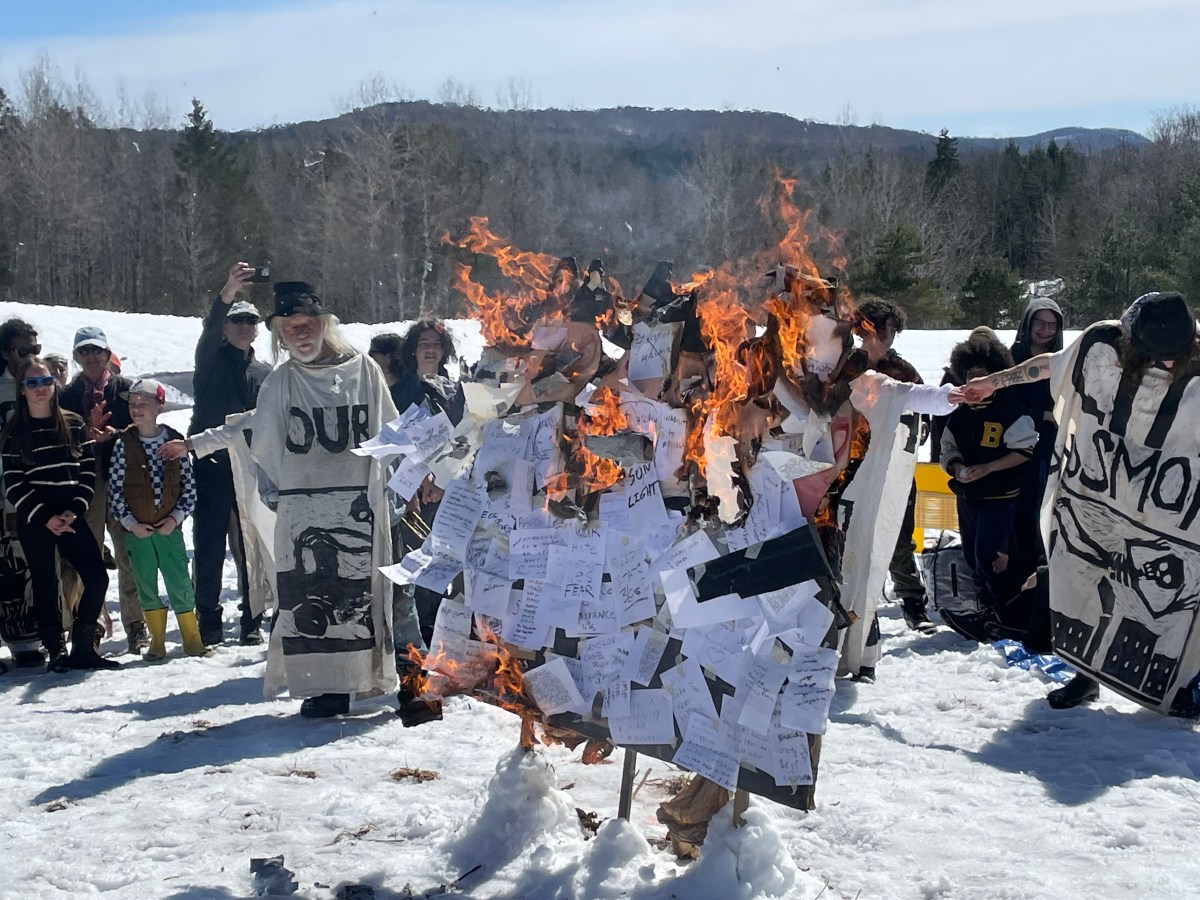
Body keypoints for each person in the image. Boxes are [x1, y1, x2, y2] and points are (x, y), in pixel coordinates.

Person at [167, 282, 429, 720]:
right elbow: (254, 428)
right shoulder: (282, 380)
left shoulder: (362, 370)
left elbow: (393, 432)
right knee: (320, 598)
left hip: (363, 506)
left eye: (307, 325)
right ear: (280, 335)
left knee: (389, 596)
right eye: (290, 329)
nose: (300, 335)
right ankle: (331, 688)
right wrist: (197, 444)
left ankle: (414, 684)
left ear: (324, 325)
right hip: (307, 510)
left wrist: (411, 481)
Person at [957, 292, 1200, 716]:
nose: (1161, 366)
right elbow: (1053, 366)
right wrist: (993, 382)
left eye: (1170, 358)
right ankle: (1084, 677)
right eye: (1152, 356)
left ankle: (1179, 685)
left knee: (1171, 593)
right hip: (1101, 492)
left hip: (1164, 505)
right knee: (1085, 577)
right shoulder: (1102, 345)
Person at [0, 357, 118, 671]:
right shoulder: (14, 432)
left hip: (71, 515)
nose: (40, 388)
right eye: (32, 383)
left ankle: (82, 646)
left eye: (45, 381)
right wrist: (45, 518)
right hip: (36, 519)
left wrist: (74, 510)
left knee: (97, 578)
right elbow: (13, 482)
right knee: (45, 584)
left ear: (54, 384)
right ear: (22, 390)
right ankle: (55, 651)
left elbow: (86, 471)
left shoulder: (74, 423)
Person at [188, 262, 272, 646]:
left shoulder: (265, 372)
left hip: (250, 469)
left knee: (251, 546)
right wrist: (228, 292)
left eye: (250, 322)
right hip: (209, 466)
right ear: (225, 328)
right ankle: (208, 620)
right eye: (237, 321)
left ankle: (252, 619)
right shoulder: (209, 360)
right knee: (208, 546)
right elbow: (210, 325)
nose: (243, 327)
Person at [939, 328, 1037, 638]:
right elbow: (948, 449)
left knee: (991, 557)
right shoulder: (959, 413)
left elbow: (1024, 450)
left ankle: (1006, 615)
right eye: (969, 377)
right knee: (971, 555)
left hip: (1000, 496)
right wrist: (957, 468)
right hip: (968, 494)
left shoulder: (1010, 410)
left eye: (982, 377)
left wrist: (989, 467)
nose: (974, 384)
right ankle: (986, 612)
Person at [60, 325, 146, 654]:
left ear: (108, 353)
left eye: (97, 350)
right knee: (88, 556)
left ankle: (135, 623)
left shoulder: (126, 389)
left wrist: (117, 433)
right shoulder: (66, 396)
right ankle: (90, 623)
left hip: (123, 478)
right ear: (77, 356)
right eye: (85, 352)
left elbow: (143, 426)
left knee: (128, 554)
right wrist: (86, 437)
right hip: (85, 483)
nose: (92, 357)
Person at [108, 379, 209, 661]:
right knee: (145, 584)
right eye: (132, 405)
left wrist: (175, 519)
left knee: (179, 582)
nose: (137, 410)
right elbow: (115, 491)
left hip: (168, 529)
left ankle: (191, 637)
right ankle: (157, 641)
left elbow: (189, 489)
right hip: (137, 531)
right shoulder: (123, 444)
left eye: (143, 404)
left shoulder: (174, 442)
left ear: (159, 406)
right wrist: (130, 523)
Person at [853, 298, 935, 634]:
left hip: (891, 469)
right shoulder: (848, 366)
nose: (882, 339)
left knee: (898, 540)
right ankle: (853, 610)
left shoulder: (903, 372)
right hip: (853, 466)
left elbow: (922, 420)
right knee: (850, 541)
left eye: (889, 333)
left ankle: (914, 606)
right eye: (877, 331)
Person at [1006, 298, 1065, 584]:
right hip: (1008, 450)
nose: (1045, 330)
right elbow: (1002, 403)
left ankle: (1036, 585)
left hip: (1045, 451)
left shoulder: (1061, 362)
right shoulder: (1009, 360)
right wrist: (1041, 414)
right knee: (1012, 519)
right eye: (1040, 323)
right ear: (1028, 323)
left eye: (1052, 325)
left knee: (1039, 517)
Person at [0, 319, 44, 667]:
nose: (29, 356)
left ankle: (24, 640)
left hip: (26, 488)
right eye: (21, 350)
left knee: (21, 562)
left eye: (34, 349)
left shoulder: (38, 382)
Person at [391, 320, 465, 425]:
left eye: (436, 344)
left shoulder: (453, 393)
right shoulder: (398, 391)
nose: (431, 349)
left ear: (444, 350)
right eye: (424, 344)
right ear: (414, 349)